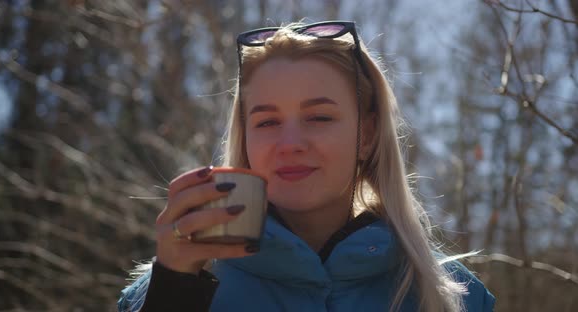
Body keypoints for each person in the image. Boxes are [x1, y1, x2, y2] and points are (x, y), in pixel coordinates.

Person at [117, 20, 496, 312]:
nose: (290, 144)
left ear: (366, 135)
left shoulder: (453, 294)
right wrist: (174, 289)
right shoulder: (167, 289)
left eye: (319, 118)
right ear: (245, 138)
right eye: (266, 122)